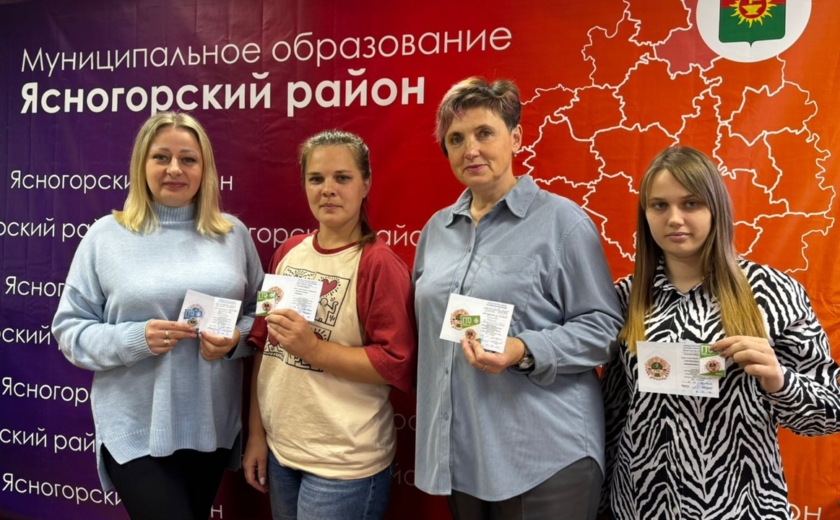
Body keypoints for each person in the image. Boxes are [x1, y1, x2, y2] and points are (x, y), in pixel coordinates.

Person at [412, 76, 623, 520]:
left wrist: (524, 349)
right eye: (456, 139)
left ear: (516, 138)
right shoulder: (436, 231)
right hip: (462, 457)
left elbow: (604, 329)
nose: (470, 149)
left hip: (545, 457)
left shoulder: (562, 222)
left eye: (484, 133)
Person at [599, 146, 840, 519]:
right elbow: (612, 415)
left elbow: (830, 412)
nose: (674, 218)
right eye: (659, 205)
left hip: (745, 505)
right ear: (645, 215)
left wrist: (780, 380)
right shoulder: (625, 298)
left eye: (691, 203)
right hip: (642, 505)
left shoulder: (773, 292)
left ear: (716, 208)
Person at [52, 112, 264, 520]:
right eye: (161, 157)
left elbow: (262, 316)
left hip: (209, 427)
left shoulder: (233, 234)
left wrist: (236, 340)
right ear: (141, 165)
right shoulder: (105, 236)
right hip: (134, 429)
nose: (174, 169)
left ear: (205, 169)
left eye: (188, 159)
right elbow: (70, 330)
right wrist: (134, 339)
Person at [242, 130, 417, 520]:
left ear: (366, 184)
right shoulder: (288, 252)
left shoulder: (377, 264)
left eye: (343, 177)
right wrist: (257, 435)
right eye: (316, 179)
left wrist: (315, 349)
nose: (328, 190)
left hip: (344, 465)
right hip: (283, 453)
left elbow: (395, 364)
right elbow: (265, 350)